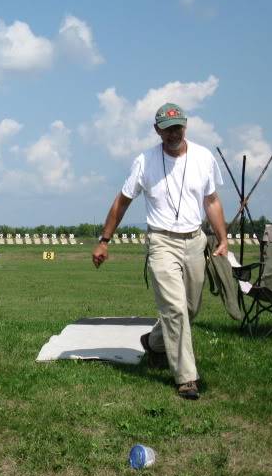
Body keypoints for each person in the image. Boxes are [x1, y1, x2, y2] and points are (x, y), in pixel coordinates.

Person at [91, 103, 228, 400]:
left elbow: (212, 201)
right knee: (175, 310)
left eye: (177, 127)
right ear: (157, 131)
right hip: (161, 242)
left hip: (195, 241)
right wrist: (104, 240)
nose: (173, 134)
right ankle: (187, 378)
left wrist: (223, 238)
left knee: (189, 309)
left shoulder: (204, 158)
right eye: (167, 129)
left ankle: (153, 343)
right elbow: (122, 201)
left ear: (186, 126)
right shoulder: (145, 161)